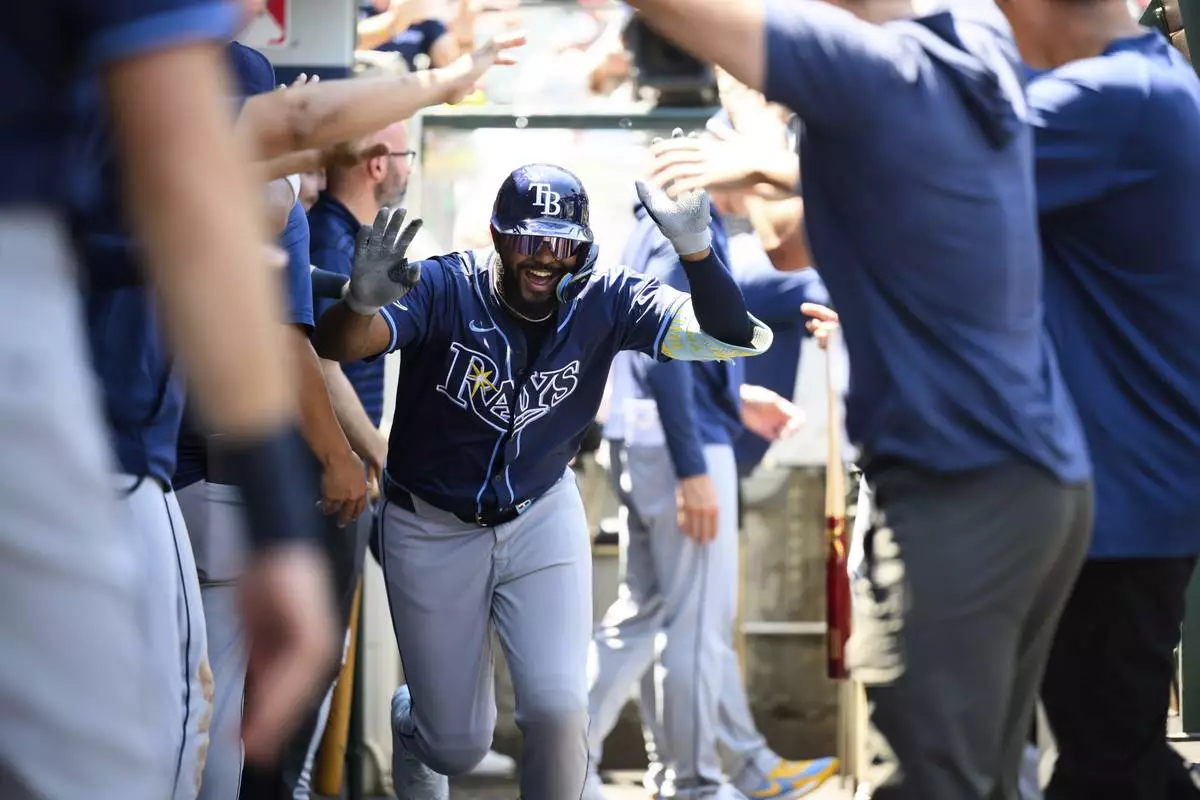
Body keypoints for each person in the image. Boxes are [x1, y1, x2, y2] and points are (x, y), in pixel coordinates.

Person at [614, 1, 1096, 798]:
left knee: (929, 778)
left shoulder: (876, 65)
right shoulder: (973, 48)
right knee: (994, 775)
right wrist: (769, 164)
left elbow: (780, 237)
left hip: (956, 493)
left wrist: (754, 123)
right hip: (1037, 485)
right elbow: (801, 240)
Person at [313, 159, 773, 800]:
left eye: (563, 244)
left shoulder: (607, 296)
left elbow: (731, 338)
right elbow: (342, 346)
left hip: (539, 512)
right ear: (498, 236)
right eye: (530, 239)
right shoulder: (448, 284)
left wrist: (696, 252)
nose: (546, 258)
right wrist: (360, 304)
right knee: (456, 745)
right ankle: (416, 726)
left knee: (560, 713)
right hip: (430, 522)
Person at [1, 2, 338, 798]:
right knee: (129, 750)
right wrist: (281, 521)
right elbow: (197, 184)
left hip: (87, 407)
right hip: (88, 425)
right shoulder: (215, 74)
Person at [994, 0, 1200, 795]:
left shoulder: (1110, 97)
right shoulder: (1151, 84)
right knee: (1108, 753)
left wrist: (770, 152)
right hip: (1127, 483)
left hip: (1125, 493)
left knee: (1107, 762)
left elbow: (938, 173)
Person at [585, 193, 834, 800]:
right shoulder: (681, 224)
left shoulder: (656, 224)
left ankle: (566, 752)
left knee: (644, 615)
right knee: (694, 625)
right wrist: (692, 464)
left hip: (657, 440)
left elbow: (672, 344)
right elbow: (662, 348)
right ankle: (693, 781)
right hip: (680, 447)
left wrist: (735, 400)